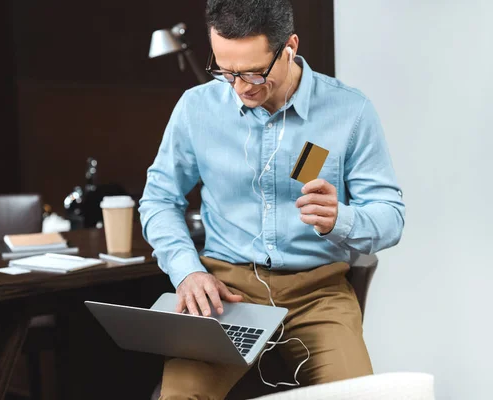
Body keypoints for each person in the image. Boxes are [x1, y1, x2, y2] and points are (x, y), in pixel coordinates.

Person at [139, 0, 405, 398]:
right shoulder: (196, 109)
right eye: (226, 71)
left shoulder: (350, 111)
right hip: (224, 294)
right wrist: (186, 272)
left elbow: (391, 217)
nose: (241, 87)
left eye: (253, 72)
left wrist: (341, 219)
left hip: (318, 293)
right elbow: (158, 199)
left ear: (290, 47)